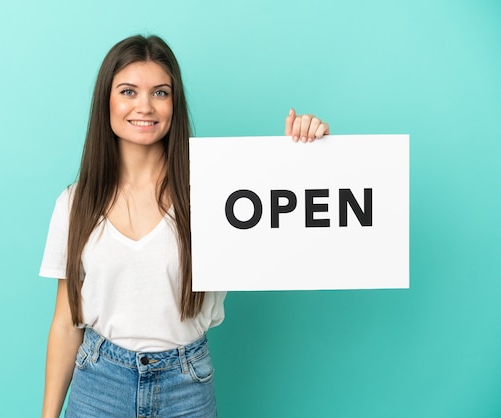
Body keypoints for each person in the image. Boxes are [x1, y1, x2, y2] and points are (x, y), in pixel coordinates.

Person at [39, 34, 329, 418]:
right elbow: (65, 323)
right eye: (129, 91)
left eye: (160, 92)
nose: (145, 105)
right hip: (99, 384)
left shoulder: (217, 194)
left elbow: (286, 210)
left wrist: (306, 152)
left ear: (175, 104)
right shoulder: (75, 204)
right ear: (106, 101)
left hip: (186, 386)